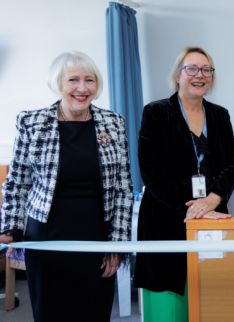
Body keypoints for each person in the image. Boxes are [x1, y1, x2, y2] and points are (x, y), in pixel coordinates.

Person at [0, 51, 133, 322]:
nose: (82, 88)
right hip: (47, 238)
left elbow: (122, 188)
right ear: (58, 83)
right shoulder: (33, 122)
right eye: (73, 80)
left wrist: (117, 244)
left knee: (93, 312)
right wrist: (10, 228)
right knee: (52, 312)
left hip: (96, 237)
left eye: (90, 80)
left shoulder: (113, 123)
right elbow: (18, 180)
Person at [134, 47, 234, 322]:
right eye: (191, 68)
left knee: (209, 296)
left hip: (212, 216)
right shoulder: (156, 112)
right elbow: (151, 171)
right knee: (169, 303)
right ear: (178, 75)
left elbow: (231, 163)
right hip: (164, 217)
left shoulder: (219, 115)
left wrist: (212, 200)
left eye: (206, 69)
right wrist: (198, 208)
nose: (199, 75)